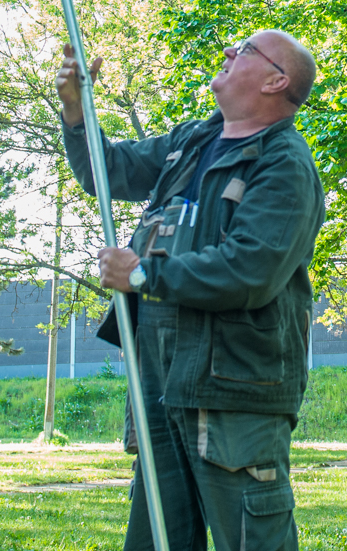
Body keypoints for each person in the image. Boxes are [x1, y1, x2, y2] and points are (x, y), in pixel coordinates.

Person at [55, 29, 324, 551]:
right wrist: (76, 112)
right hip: (161, 382)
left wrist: (142, 276)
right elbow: (107, 173)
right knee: (158, 539)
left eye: (245, 49)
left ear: (276, 80)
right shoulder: (191, 142)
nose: (227, 51)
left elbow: (250, 269)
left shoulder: (284, 165)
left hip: (234, 393)